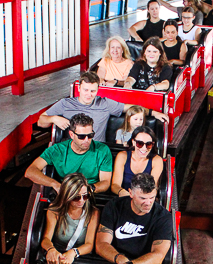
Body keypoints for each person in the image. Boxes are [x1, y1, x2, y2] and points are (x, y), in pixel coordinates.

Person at [37, 70, 169, 139]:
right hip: (73, 148)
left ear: (97, 90)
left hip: (96, 150)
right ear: (79, 89)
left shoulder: (104, 103)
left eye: (93, 91)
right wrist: (54, 118)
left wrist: (154, 113)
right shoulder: (65, 104)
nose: (89, 94)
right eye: (85, 90)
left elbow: (130, 107)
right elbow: (41, 122)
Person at [96, 172, 172, 264]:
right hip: (113, 262)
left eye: (152, 198)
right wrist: (121, 260)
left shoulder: (163, 217)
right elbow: (101, 244)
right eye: (143, 198)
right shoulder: (114, 206)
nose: (148, 203)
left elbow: (158, 255)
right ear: (130, 193)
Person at [26, 113, 113, 193]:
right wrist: (55, 184)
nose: (86, 140)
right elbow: (30, 171)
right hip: (66, 193)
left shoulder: (102, 150)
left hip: (90, 193)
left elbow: (105, 182)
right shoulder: (57, 150)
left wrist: (87, 189)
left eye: (90, 135)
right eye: (81, 136)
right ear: (71, 135)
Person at [40, 173, 99, 264]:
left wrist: (73, 253)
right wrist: (51, 250)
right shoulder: (54, 211)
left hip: (80, 260)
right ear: (67, 196)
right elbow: (46, 238)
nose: (81, 201)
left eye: (85, 196)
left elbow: (89, 244)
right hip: (57, 256)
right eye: (76, 197)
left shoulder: (93, 213)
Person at [112, 126, 163, 195]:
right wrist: (123, 193)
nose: (144, 148)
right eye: (140, 144)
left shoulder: (156, 160)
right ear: (133, 142)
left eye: (149, 144)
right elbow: (115, 185)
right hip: (124, 197)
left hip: (145, 199)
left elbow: (152, 187)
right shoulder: (123, 156)